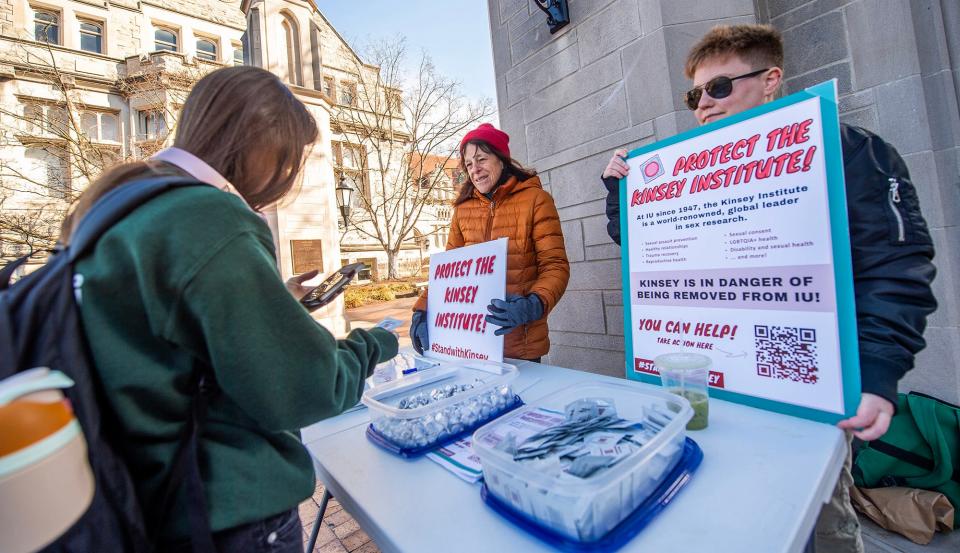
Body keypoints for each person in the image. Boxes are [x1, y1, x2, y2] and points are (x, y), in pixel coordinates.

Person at [600, 24, 937, 552]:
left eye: (719, 88)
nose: (704, 105)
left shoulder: (846, 149)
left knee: (818, 522)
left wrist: (877, 371)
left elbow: (896, 265)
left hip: (805, 389)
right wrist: (623, 193)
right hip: (710, 383)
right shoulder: (682, 169)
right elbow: (643, 247)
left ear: (771, 79)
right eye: (695, 95)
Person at [60, 66, 398, 552]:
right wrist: (375, 343)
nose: (287, 178)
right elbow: (306, 387)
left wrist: (272, 299)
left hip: (141, 497)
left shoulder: (115, 201)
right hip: (224, 508)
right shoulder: (211, 217)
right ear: (264, 147)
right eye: (291, 161)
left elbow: (171, 327)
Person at [411, 123, 569, 362]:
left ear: (502, 160)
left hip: (519, 344)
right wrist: (422, 309)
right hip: (472, 341)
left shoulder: (536, 200)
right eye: (469, 164)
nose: (475, 170)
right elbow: (448, 273)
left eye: (482, 159)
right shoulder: (462, 210)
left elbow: (555, 265)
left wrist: (534, 304)